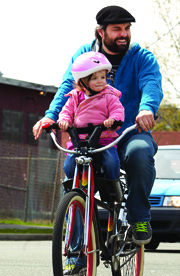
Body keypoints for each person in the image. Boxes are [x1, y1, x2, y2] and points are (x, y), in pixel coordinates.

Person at [33, 6, 163, 252]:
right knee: (72, 174)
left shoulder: (142, 57)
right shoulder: (83, 55)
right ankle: (74, 252)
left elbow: (151, 85)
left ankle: (138, 217)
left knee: (139, 154)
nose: (123, 34)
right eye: (117, 29)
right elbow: (66, 89)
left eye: (127, 29)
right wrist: (51, 116)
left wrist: (146, 108)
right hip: (89, 136)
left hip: (128, 131)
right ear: (101, 32)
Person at [57, 51, 124, 181]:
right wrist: (64, 121)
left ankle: (112, 187)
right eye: (94, 78)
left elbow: (117, 110)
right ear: (82, 82)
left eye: (103, 77)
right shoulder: (75, 97)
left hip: (104, 139)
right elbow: (66, 111)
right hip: (79, 141)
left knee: (111, 162)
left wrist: (113, 119)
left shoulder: (109, 96)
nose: (100, 81)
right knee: (69, 166)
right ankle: (72, 193)